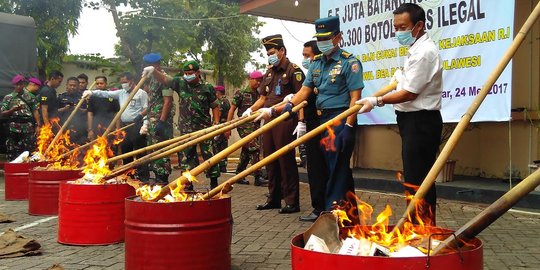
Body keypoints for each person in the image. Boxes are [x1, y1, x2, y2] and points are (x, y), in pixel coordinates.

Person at [356, 3, 442, 224]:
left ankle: (422, 229)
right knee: (415, 177)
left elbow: (409, 94)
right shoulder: (415, 50)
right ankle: (417, 226)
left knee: (419, 179)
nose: (398, 32)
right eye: (396, 27)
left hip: (421, 122)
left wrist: (377, 100)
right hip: (411, 121)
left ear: (419, 25)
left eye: (403, 27)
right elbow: (406, 83)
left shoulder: (425, 53)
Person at [268, 17, 364, 212]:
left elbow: (356, 98)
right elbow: (304, 91)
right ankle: (348, 214)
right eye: (319, 39)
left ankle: (332, 212)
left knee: (337, 169)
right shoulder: (316, 64)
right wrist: (290, 107)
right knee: (329, 169)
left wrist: (349, 126)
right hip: (321, 120)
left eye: (326, 38)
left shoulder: (350, 62)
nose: (322, 43)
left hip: (340, 119)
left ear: (338, 37)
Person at [143, 60, 221, 189]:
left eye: (190, 73)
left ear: (197, 73)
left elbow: (215, 105)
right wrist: (153, 71)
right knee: (187, 158)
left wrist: (216, 123)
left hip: (204, 128)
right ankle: (188, 184)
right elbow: (165, 79)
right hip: (186, 129)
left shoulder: (207, 87)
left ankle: (214, 183)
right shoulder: (181, 83)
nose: (187, 75)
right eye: (185, 73)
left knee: (210, 155)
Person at [249, 34, 304, 214]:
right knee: (270, 159)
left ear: (282, 51)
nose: (270, 56)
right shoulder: (270, 72)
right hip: (268, 119)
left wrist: (301, 122)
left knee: (285, 160)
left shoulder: (293, 70)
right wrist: (250, 110)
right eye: (268, 53)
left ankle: (291, 201)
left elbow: (301, 98)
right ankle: (273, 198)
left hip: (285, 121)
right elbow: (263, 97)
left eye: (273, 52)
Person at [83, 72, 150, 182]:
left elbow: (147, 109)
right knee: (125, 151)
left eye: (125, 82)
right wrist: (91, 92)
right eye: (122, 82)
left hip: (137, 126)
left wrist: (145, 125)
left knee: (139, 152)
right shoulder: (121, 93)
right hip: (125, 127)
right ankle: (129, 176)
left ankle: (143, 178)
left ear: (131, 81)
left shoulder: (141, 93)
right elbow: (105, 94)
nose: (123, 84)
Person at [296, 40, 330, 222]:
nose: (305, 59)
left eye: (307, 56)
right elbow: (302, 95)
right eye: (303, 55)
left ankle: (328, 207)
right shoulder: (311, 74)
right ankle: (319, 207)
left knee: (324, 167)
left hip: (323, 124)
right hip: (311, 124)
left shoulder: (325, 72)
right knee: (314, 168)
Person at [225, 71, 268, 186]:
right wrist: (228, 127)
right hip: (244, 126)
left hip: (255, 125)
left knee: (246, 150)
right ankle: (258, 177)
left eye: (260, 81)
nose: (258, 83)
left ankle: (239, 174)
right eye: (256, 80)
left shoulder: (260, 94)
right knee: (254, 148)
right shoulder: (241, 93)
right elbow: (232, 109)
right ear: (250, 79)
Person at [141, 52, 175, 185]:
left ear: (156, 65)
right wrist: (142, 116)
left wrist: (162, 121)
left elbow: (167, 102)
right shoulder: (152, 79)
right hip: (152, 118)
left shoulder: (164, 79)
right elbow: (152, 98)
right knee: (152, 148)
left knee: (161, 149)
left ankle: (163, 177)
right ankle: (156, 175)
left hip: (161, 120)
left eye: (149, 65)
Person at [1, 75, 41, 160]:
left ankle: (26, 169)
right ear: (14, 85)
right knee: (12, 150)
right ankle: (13, 168)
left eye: (21, 84)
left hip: (28, 126)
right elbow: (2, 113)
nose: (19, 86)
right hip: (14, 127)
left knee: (28, 149)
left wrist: (38, 125)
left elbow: (35, 111)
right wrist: (12, 110)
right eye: (17, 84)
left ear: (24, 84)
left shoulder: (31, 97)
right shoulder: (9, 97)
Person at [87, 75, 120, 140]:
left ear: (106, 84)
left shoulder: (112, 95)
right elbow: (90, 114)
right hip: (96, 127)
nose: (99, 85)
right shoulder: (92, 96)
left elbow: (117, 113)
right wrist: (90, 130)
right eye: (97, 83)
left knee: (110, 148)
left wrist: (118, 128)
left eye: (101, 83)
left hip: (110, 128)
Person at [58, 77, 87, 144]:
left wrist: (79, 109)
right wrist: (64, 108)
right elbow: (56, 111)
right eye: (70, 85)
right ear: (67, 85)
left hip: (79, 128)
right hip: (64, 127)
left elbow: (88, 111)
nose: (72, 87)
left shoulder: (83, 97)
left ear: (78, 86)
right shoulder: (61, 97)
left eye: (74, 85)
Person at [214, 85, 230, 173]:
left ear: (218, 93)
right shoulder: (226, 101)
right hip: (225, 125)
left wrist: (214, 124)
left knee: (217, 145)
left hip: (220, 126)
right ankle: (223, 165)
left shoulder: (221, 101)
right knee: (223, 146)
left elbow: (219, 113)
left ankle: (218, 165)